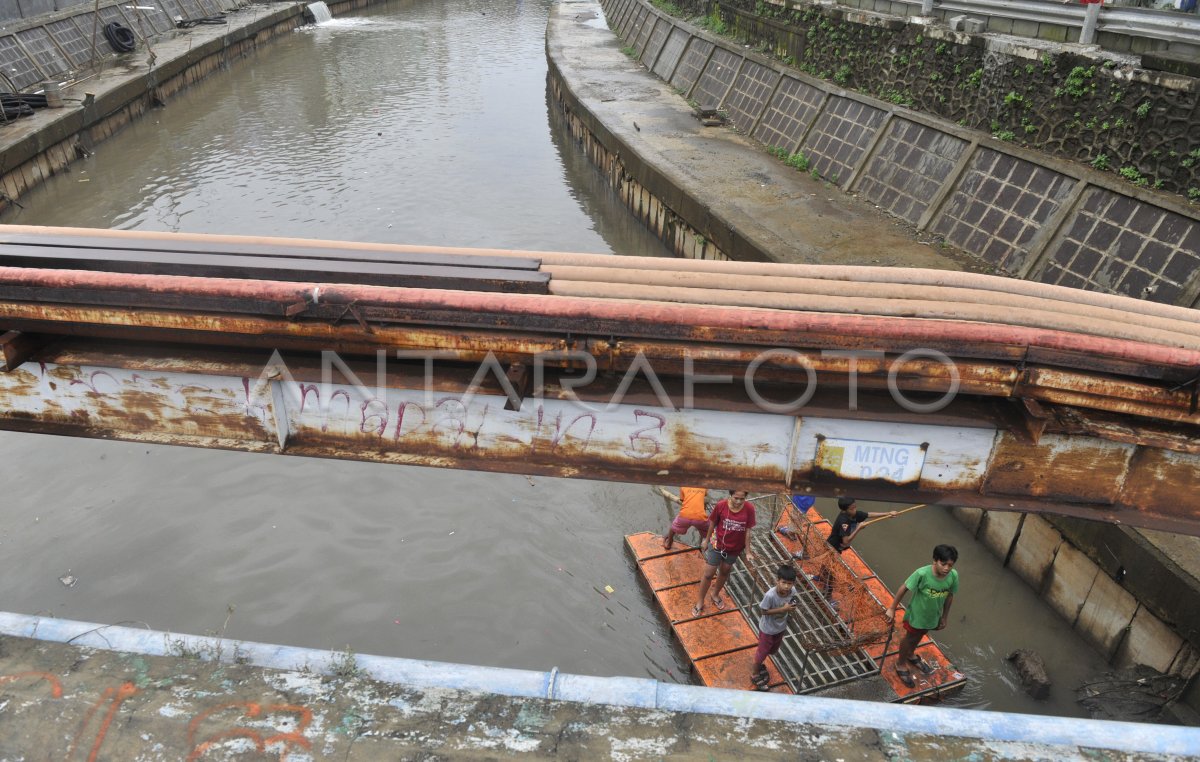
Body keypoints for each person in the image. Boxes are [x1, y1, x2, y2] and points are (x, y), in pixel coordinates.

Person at [884, 544, 959, 688]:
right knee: (910, 637)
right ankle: (900, 664)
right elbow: (904, 588)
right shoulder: (922, 574)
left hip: (932, 617)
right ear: (935, 560)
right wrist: (892, 608)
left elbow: (950, 596)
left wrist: (944, 617)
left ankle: (911, 654)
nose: (946, 568)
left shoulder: (953, 576)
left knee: (921, 635)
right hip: (917, 616)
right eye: (943, 564)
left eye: (950, 565)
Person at [691, 489, 756, 617]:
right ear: (730, 495)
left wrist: (748, 551)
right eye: (736, 498)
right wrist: (706, 540)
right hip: (718, 543)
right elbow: (713, 522)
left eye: (742, 499)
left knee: (725, 570)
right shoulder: (721, 505)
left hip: (735, 546)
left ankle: (715, 593)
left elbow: (748, 531)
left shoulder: (749, 509)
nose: (738, 501)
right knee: (709, 573)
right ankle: (700, 601)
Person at [751, 564, 798, 690]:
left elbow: (792, 600)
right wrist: (783, 609)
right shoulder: (770, 595)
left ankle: (759, 665)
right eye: (784, 583)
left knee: (773, 650)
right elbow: (763, 611)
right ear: (778, 581)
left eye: (790, 583)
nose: (787, 586)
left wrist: (791, 606)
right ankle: (755, 673)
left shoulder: (792, 591)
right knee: (763, 652)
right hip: (767, 629)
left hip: (780, 627)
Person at [827, 497, 896, 553]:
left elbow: (869, 514)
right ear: (844, 510)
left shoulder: (854, 514)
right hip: (833, 546)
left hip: (840, 546)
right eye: (852, 509)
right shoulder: (844, 521)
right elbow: (846, 541)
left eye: (855, 507)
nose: (855, 510)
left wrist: (888, 513)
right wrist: (858, 528)